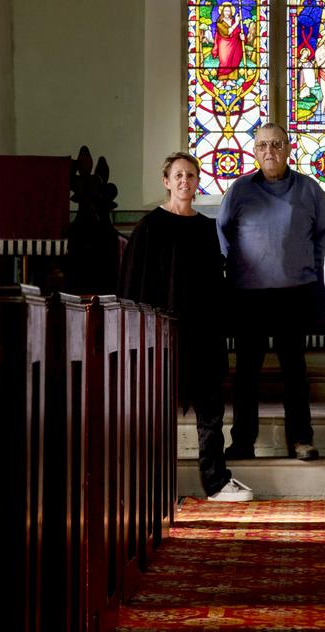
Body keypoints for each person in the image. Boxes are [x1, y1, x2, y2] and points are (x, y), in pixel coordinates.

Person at [119, 152, 253, 502]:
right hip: (160, 334)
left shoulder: (206, 229)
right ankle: (156, 486)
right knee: (158, 411)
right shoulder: (148, 228)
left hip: (203, 331)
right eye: (178, 175)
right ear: (167, 181)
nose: (184, 181)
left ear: (197, 182)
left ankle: (216, 481)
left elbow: (215, 284)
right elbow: (132, 286)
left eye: (191, 176)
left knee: (211, 410)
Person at [217, 123, 325, 461]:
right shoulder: (239, 190)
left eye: (277, 144)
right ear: (255, 151)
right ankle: (242, 442)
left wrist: (317, 279)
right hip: (248, 294)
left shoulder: (309, 190)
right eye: (263, 145)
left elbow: (324, 238)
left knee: (295, 370)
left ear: (289, 148)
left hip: (294, 292)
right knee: (246, 373)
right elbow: (222, 236)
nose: (270, 151)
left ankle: (301, 439)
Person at [212, 3, 244, 80]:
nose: (227, 12)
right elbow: (226, 32)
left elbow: (238, 32)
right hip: (224, 44)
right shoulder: (220, 22)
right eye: (225, 10)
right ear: (222, 11)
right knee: (224, 62)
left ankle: (232, 79)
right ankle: (222, 79)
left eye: (229, 11)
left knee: (234, 61)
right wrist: (237, 23)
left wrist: (242, 37)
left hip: (235, 44)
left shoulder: (233, 21)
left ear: (231, 12)